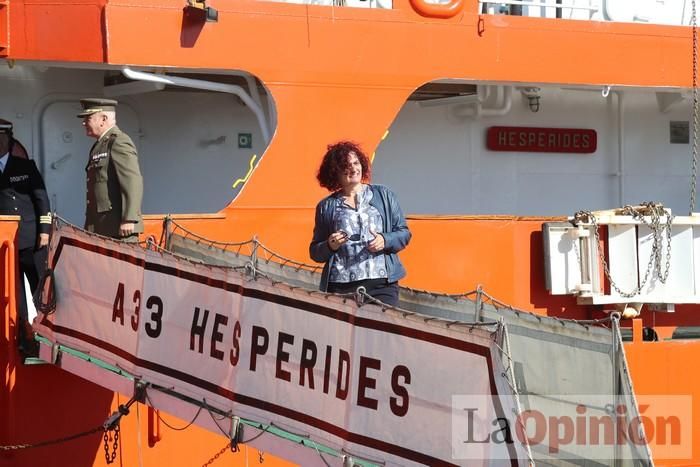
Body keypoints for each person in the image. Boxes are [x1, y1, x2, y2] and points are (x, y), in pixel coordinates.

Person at [309, 141, 411, 306]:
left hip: (381, 286)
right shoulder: (326, 206)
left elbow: (404, 233)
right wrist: (330, 245)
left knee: (383, 331)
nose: (354, 168)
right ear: (335, 172)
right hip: (341, 288)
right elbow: (315, 252)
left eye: (356, 163)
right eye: (346, 165)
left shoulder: (384, 195)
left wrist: (385, 240)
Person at [0, 118, 51, 353]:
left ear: (8, 140)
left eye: (1, 138)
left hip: (31, 238)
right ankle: (24, 337)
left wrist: (45, 231)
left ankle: (49, 336)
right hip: (5, 244)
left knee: (40, 288)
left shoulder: (25, 167)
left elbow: (42, 200)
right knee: (16, 293)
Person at [78, 98, 143, 242]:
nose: (83, 123)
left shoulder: (118, 141)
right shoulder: (100, 145)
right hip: (102, 227)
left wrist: (129, 219)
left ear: (103, 119)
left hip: (119, 230)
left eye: (88, 118)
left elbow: (132, 180)